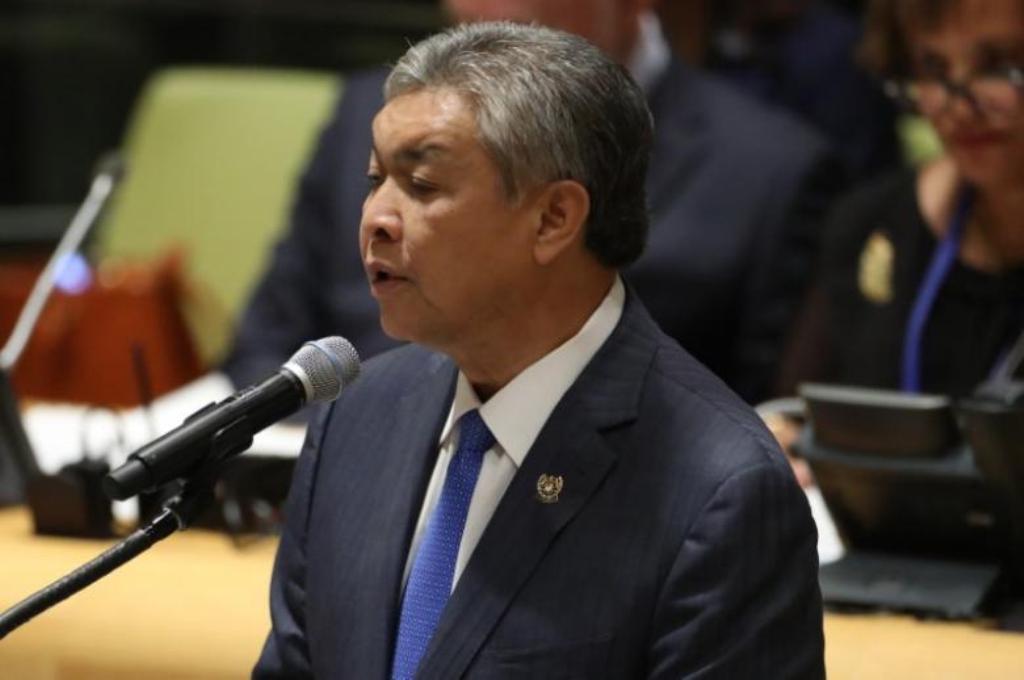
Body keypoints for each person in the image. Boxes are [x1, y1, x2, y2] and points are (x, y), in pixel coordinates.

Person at [253, 22, 823, 679]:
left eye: (423, 185)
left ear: (554, 219)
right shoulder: (353, 418)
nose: (376, 216)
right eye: (376, 179)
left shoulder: (722, 491)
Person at [223, 0, 842, 405]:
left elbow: (767, 415)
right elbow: (267, 337)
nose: (481, 11)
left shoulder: (772, 167)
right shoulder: (370, 111)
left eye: (424, 185)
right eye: (376, 180)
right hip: (331, 481)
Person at [780, 0, 1024, 398]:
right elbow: (797, 410)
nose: (958, 105)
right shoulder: (867, 222)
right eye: (933, 68)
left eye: (997, 64)